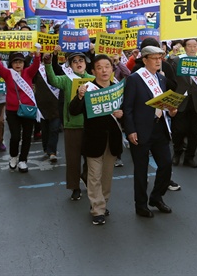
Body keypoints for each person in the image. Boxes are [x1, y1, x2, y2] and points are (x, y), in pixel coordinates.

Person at [123, 45, 178, 218]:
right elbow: (128, 107)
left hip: (160, 127)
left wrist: (172, 110)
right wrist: (130, 130)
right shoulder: (134, 79)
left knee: (166, 164)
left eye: (160, 58)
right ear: (145, 60)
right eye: (154, 58)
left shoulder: (161, 79)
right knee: (141, 170)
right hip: (140, 130)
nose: (158, 61)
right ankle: (141, 205)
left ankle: (156, 197)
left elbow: (162, 103)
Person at [69, 55, 124, 226]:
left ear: (112, 69)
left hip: (112, 139)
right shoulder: (87, 88)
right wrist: (79, 96)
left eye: (107, 66)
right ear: (93, 71)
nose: (104, 70)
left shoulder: (118, 88)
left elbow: (126, 112)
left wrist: (121, 115)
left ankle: (102, 202)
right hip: (93, 139)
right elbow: (73, 111)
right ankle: (97, 209)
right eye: (99, 67)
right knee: (94, 176)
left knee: (106, 177)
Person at [45, 51, 94, 201]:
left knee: (92, 158)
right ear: (70, 65)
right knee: (73, 159)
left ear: (86, 63)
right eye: (75, 61)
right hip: (72, 125)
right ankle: (75, 187)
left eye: (81, 60)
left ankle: (86, 177)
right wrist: (48, 64)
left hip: (91, 125)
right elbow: (53, 80)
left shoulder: (93, 79)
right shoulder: (67, 80)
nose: (79, 63)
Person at [0, 47, 41, 173]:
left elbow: (36, 65)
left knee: (26, 136)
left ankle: (23, 160)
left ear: (24, 63)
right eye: (15, 62)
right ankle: (13, 157)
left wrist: (37, 54)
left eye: (20, 62)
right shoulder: (8, 74)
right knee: (15, 136)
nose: (18, 64)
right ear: (11, 64)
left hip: (28, 110)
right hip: (12, 110)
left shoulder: (28, 73)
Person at [169, 38, 197, 168]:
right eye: (189, 46)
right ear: (185, 48)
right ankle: (177, 153)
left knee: (194, 132)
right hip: (181, 99)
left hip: (196, 101)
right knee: (178, 130)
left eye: (194, 46)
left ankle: (189, 157)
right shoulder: (177, 61)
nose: (192, 48)